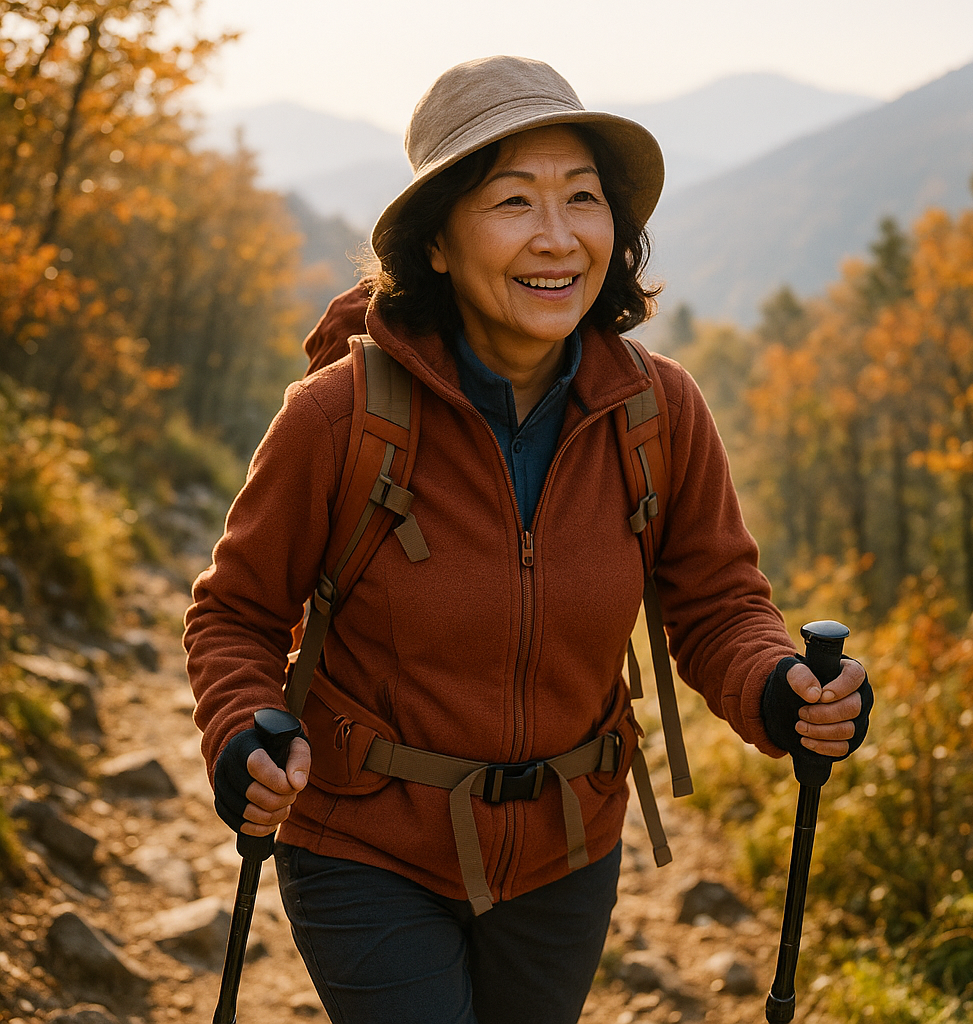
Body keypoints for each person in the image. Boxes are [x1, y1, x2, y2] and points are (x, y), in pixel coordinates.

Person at [184, 55, 872, 1024]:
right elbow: (235, 613)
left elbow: (719, 602)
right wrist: (239, 733)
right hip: (363, 841)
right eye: (513, 200)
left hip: (566, 850)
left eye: (582, 198)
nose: (557, 237)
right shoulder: (341, 417)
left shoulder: (656, 411)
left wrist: (777, 686)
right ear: (436, 242)